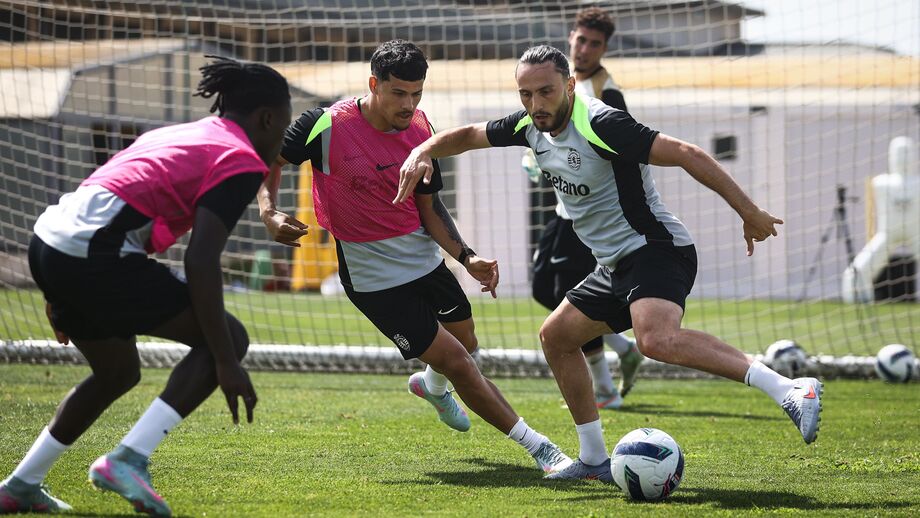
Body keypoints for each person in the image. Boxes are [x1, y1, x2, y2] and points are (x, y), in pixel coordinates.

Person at [395, 44, 824, 481]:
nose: (535, 104)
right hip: (615, 264)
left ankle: (790, 388)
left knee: (655, 338)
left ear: (568, 85)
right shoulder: (530, 126)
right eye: (525, 94)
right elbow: (469, 134)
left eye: (545, 92)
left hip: (656, 248)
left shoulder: (602, 123)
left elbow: (687, 153)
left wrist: (748, 211)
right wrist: (423, 150)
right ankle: (594, 459)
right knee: (556, 337)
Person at [257, 40, 572, 476]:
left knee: (467, 343)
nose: (409, 105)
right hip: (373, 278)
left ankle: (430, 385)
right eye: (399, 94)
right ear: (374, 84)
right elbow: (268, 158)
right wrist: (269, 212)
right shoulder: (325, 125)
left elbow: (430, 208)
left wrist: (467, 256)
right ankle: (542, 450)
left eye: (417, 93)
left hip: (423, 259)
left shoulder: (422, 129)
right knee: (460, 362)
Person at [0, 56, 291, 516]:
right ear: (268, 118)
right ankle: (128, 459)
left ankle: (20, 485)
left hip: (49, 242)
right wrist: (225, 360)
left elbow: (94, 198)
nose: (281, 138)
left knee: (117, 371)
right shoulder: (239, 158)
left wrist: (57, 290)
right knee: (231, 336)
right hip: (93, 254)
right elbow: (201, 259)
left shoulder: (178, 132)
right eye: (285, 125)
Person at [526, 7, 643, 410]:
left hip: (590, 215)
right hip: (564, 207)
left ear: (604, 48)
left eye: (595, 43)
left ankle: (605, 390)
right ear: (571, 37)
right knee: (544, 287)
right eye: (581, 39)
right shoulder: (554, 80)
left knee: (568, 295)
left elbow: (621, 155)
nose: (586, 48)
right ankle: (623, 348)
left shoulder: (608, 95)